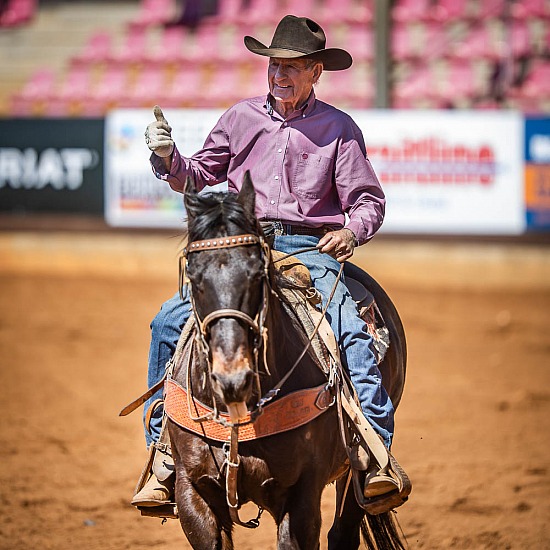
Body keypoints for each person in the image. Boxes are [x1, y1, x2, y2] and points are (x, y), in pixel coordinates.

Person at [132, 14, 407, 512]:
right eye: (275, 65)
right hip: (243, 245)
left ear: (315, 72)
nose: (280, 75)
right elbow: (198, 175)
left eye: (293, 66)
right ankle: (163, 453)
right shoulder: (240, 118)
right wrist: (168, 159)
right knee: (168, 320)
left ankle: (373, 449)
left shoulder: (339, 128)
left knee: (348, 324)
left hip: (309, 249)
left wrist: (349, 230)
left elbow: (367, 201)